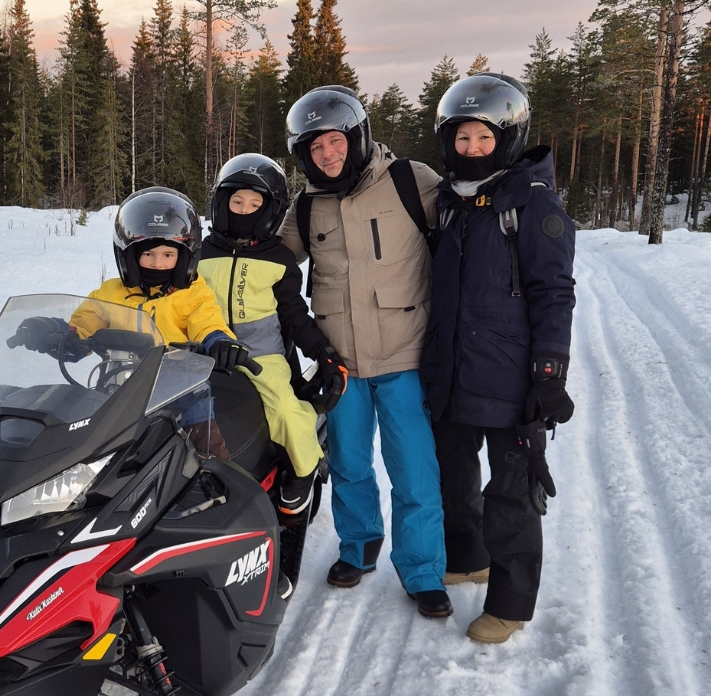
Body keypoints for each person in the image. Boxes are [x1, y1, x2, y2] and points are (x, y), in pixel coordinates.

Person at [280, 86, 451, 619]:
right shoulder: (307, 205)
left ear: (356, 136)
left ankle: (423, 570)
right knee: (349, 464)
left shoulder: (410, 180)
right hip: (341, 362)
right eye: (315, 148)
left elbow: (465, 227)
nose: (327, 154)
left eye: (335, 141)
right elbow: (272, 261)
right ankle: (358, 546)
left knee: (414, 472)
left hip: (405, 357)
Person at [420, 74, 576, 644]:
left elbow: (554, 291)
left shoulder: (532, 202)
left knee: (511, 493)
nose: (472, 149)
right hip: (452, 371)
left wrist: (549, 370)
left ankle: (510, 603)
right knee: (454, 475)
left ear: (507, 138)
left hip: (510, 377)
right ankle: (467, 558)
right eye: (462, 138)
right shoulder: (448, 201)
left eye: (483, 138)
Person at [11, 186, 250, 457]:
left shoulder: (193, 294)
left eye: (168, 255)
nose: (158, 263)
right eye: (148, 254)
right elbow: (84, 323)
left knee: (208, 452)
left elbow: (207, 322)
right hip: (118, 392)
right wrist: (54, 332)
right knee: (85, 454)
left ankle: (216, 478)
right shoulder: (111, 293)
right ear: (130, 257)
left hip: (181, 393)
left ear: (185, 257)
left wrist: (219, 342)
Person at [198, 153, 347, 517]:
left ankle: (302, 470)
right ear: (221, 202)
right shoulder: (201, 252)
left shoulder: (278, 258)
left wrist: (323, 352)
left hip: (260, 357)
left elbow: (294, 315)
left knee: (285, 410)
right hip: (202, 352)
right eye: (237, 202)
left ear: (270, 211)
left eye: (255, 205)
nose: (244, 211)